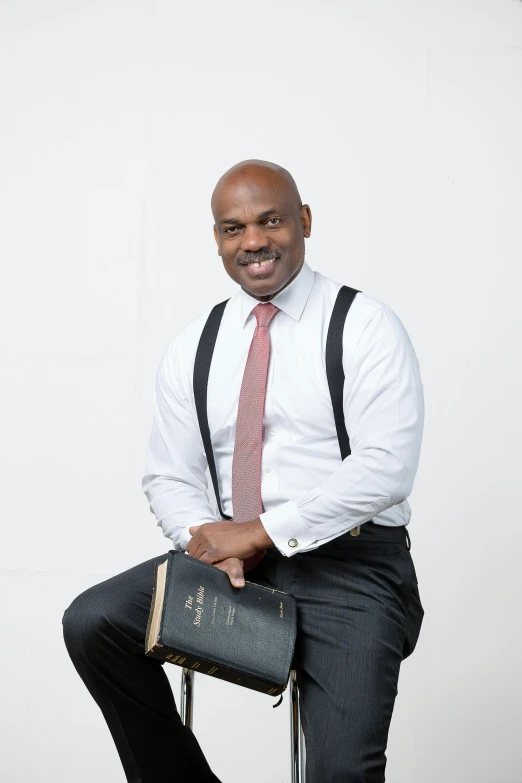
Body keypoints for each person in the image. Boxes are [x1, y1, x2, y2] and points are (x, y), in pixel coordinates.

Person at [62, 159, 425, 783]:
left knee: (340, 772)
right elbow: (167, 476)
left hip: (353, 568)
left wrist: (257, 531)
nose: (253, 241)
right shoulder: (198, 343)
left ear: (304, 222)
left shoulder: (366, 326)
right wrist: (210, 542)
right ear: (217, 240)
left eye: (271, 221)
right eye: (233, 229)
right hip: (237, 572)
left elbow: (385, 469)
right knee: (95, 623)